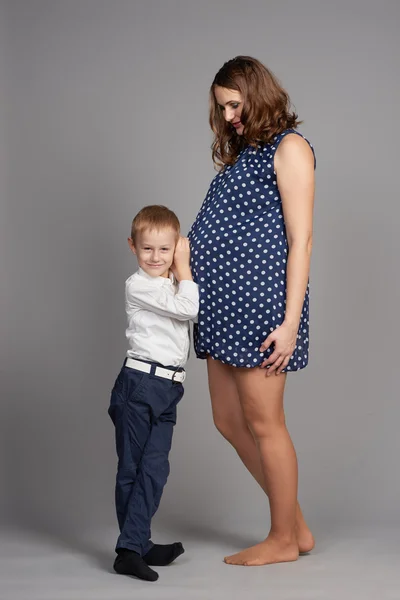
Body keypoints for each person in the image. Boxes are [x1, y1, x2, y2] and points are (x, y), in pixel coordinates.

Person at [188, 56, 316, 566]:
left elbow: (301, 241)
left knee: (266, 423)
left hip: (261, 309)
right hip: (220, 309)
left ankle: (283, 538)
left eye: (235, 105)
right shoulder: (244, 155)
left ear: (257, 94)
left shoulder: (290, 148)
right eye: (222, 109)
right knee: (226, 419)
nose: (229, 116)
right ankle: (297, 527)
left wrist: (289, 323)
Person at [108, 205, 199, 581]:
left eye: (165, 249)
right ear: (133, 246)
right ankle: (129, 550)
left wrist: (180, 272)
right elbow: (189, 309)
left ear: (174, 246)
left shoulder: (169, 283)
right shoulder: (139, 285)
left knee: (155, 468)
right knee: (133, 468)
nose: (156, 257)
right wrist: (185, 265)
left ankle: (139, 542)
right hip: (140, 385)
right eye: (148, 249)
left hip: (168, 387)